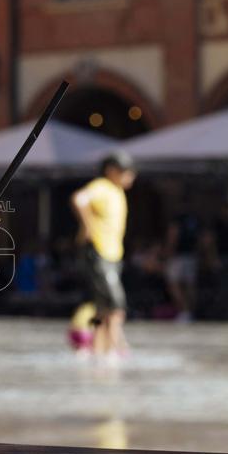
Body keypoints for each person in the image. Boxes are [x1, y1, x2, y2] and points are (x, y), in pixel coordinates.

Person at [71, 151, 137, 356]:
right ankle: (116, 347)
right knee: (116, 304)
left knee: (102, 305)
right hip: (100, 252)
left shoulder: (117, 191)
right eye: (126, 172)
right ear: (111, 171)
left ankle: (101, 348)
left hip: (111, 255)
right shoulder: (102, 186)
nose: (130, 177)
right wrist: (87, 226)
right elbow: (79, 199)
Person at [164, 211, 200, 321]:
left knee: (173, 284)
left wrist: (168, 252)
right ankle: (190, 312)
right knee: (189, 285)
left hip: (178, 256)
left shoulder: (178, 217)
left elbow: (173, 235)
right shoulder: (195, 218)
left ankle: (185, 312)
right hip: (191, 255)